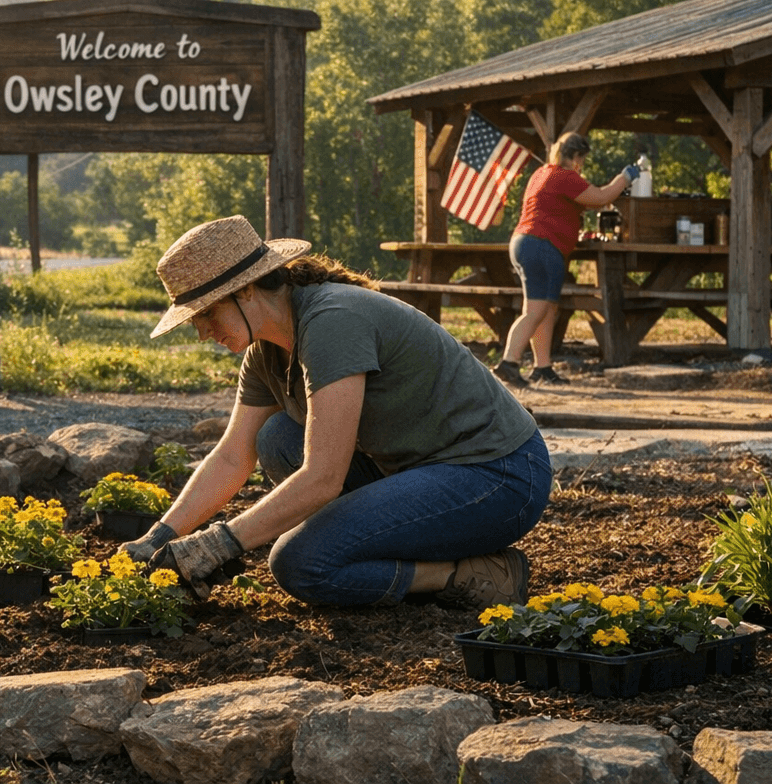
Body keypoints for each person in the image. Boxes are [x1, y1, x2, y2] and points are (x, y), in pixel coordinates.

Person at [121, 215, 552, 610]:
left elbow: (323, 478)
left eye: (207, 313)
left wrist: (220, 544)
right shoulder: (266, 353)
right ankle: (384, 552)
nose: (201, 332)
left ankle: (468, 574)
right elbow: (234, 455)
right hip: (417, 472)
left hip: (497, 477)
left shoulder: (332, 322)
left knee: (300, 563)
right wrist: (161, 535)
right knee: (275, 437)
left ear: (246, 291)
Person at [492, 133, 639, 387]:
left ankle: (543, 367)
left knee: (546, 309)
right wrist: (624, 178)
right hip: (542, 245)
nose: (581, 165)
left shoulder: (541, 173)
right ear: (575, 157)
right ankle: (508, 363)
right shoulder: (564, 176)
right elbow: (601, 197)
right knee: (535, 311)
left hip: (524, 241)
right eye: (581, 159)